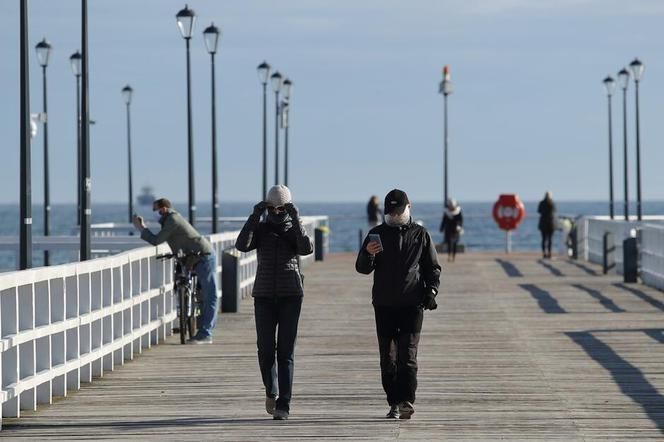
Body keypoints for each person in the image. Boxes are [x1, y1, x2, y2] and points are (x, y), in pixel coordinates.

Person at [355, 189, 441, 420]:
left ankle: (406, 401)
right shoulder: (377, 234)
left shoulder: (420, 234)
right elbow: (362, 268)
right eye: (390, 212)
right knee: (389, 358)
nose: (394, 215)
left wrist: (431, 292)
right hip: (383, 305)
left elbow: (432, 268)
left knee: (408, 355)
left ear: (408, 207)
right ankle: (393, 401)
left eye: (398, 211)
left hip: (412, 304)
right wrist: (368, 254)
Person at [235, 185, 313, 421]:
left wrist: (296, 217)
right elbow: (241, 245)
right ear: (267, 207)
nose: (278, 212)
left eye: (283, 208)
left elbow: (306, 248)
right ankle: (272, 389)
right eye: (273, 207)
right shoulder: (261, 228)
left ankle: (284, 404)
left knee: (286, 352)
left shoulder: (294, 229)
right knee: (266, 349)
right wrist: (255, 215)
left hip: (291, 295)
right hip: (264, 295)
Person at [132, 198, 218, 344]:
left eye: (155, 210)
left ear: (163, 209)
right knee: (196, 292)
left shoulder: (172, 219)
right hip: (191, 257)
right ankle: (198, 328)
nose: (154, 213)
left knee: (210, 295)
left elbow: (156, 240)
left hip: (203, 256)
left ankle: (205, 334)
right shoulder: (168, 220)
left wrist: (142, 228)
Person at [439, 198, 464, 262]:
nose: (451, 206)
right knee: (449, 243)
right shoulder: (446, 212)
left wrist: (460, 226)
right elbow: (443, 221)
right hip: (448, 230)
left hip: (456, 230)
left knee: (455, 243)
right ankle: (449, 255)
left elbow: (461, 220)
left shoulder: (458, 211)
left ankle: (453, 256)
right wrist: (441, 228)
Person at [537, 191, 557, 259]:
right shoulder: (552, 203)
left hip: (543, 224)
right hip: (550, 224)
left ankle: (544, 253)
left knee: (543, 239)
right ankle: (549, 253)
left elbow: (539, 211)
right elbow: (554, 210)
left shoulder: (541, 203)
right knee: (550, 239)